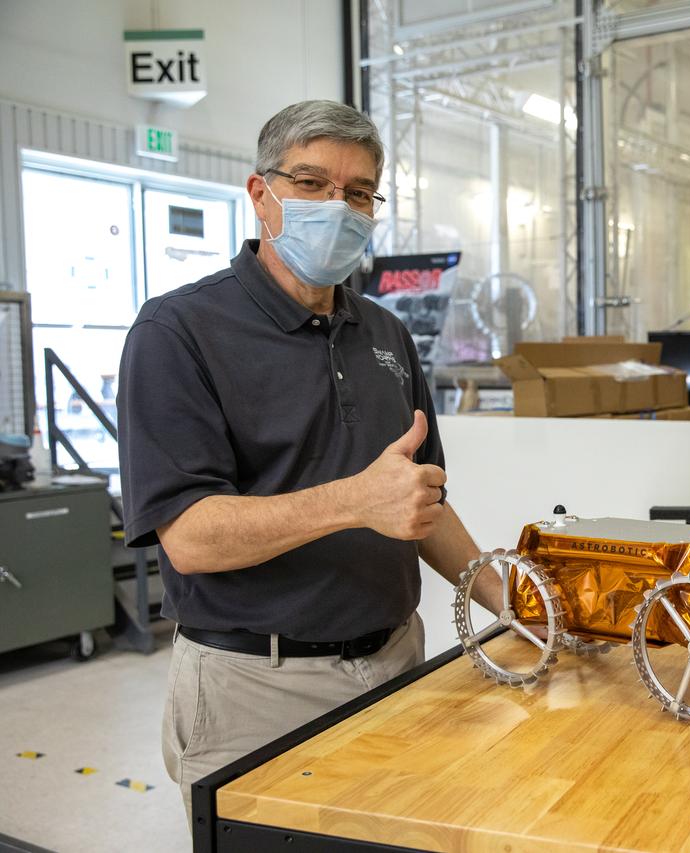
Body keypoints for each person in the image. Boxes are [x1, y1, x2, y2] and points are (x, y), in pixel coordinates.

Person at [117, 100, 502, 820]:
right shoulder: (177, 332)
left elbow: (421, 503)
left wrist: (510, 597)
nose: (339, 206)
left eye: (359, 192)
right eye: (313, 183)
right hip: (254, 685)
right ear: (261, 195)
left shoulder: (385, 331)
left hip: (395, 662)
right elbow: (190, 537)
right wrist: (354, 501)